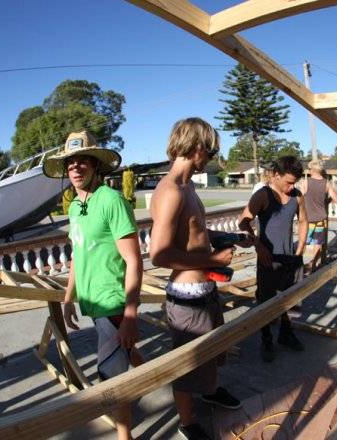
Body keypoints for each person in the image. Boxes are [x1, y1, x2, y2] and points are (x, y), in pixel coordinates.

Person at [43, 131, 143, 440]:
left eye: (82, 161)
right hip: (93, 302)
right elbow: (78, 252)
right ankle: (154, 376)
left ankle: (125, 436)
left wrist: (130, 315)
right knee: (125, 353)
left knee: (111, 382)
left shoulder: (111, 201)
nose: (75, 167)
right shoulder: (75, 206)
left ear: (95, 165)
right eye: (70, 163)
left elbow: (134, 261)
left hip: (112, 301)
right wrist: (69, 296)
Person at [149, 117, 243, 440]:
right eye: (211, 152)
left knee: (213, 350)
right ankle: (187, 422)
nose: (212, 158)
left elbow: (195, 230)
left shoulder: (188, 186)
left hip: (205, 287)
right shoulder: (171, 191)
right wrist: (212, 260)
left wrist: (230, 238)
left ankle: (210, 391)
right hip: (187, 295)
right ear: (198, 147)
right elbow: (159, 255)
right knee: (187, 365)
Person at [238, 155, 308, 362]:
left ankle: (286, 334)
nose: (291, 187)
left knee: (292, 298)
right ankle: (266, 339)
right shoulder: (263, 195)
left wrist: (301, 247)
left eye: (294, 182)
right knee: (266, 301)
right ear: (276, 175)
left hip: (291, 257)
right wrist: (258, 245)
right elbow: (243, 221)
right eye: (288, 182)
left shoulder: (297, 196)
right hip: (268, 259)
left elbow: (303, 221)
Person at [301, 160, 337, 273]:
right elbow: (336, 199)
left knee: (303, 242)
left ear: (312, 170)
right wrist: (325, 201)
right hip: (321, 218)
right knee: (317, 243)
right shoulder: (326, 183)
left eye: (309, 169)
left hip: (307, 219)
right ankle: (313, 266)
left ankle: (299, 267)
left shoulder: (306, 182)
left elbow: (301, 198)